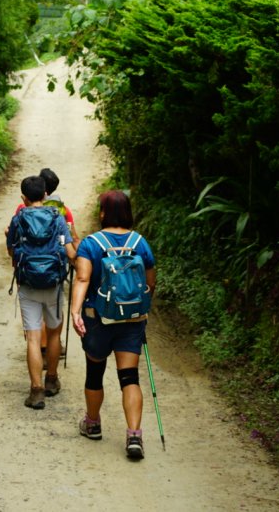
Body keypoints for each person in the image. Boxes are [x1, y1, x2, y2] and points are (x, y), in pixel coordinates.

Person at [70, 189, 157, 459]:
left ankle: (93, 423)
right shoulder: (140, 242)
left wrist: (75, 311)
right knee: (129, 377)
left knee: (95, 373)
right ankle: (134, 435)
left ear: (104, 213)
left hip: (98, 319)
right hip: (131, 320)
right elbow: (150, 282)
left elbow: (82, 279)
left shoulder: (90, 244)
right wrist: (140, 307)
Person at [6, 175, 76, 410]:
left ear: (23, 198)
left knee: (34, 338)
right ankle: (52, 380)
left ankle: (36, 391)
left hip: (28, 284)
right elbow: (70, 251)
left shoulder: (18, 219)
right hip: (54, 284)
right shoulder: (58, 219)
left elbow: (11, 251)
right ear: (45, 195)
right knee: (54, 334)